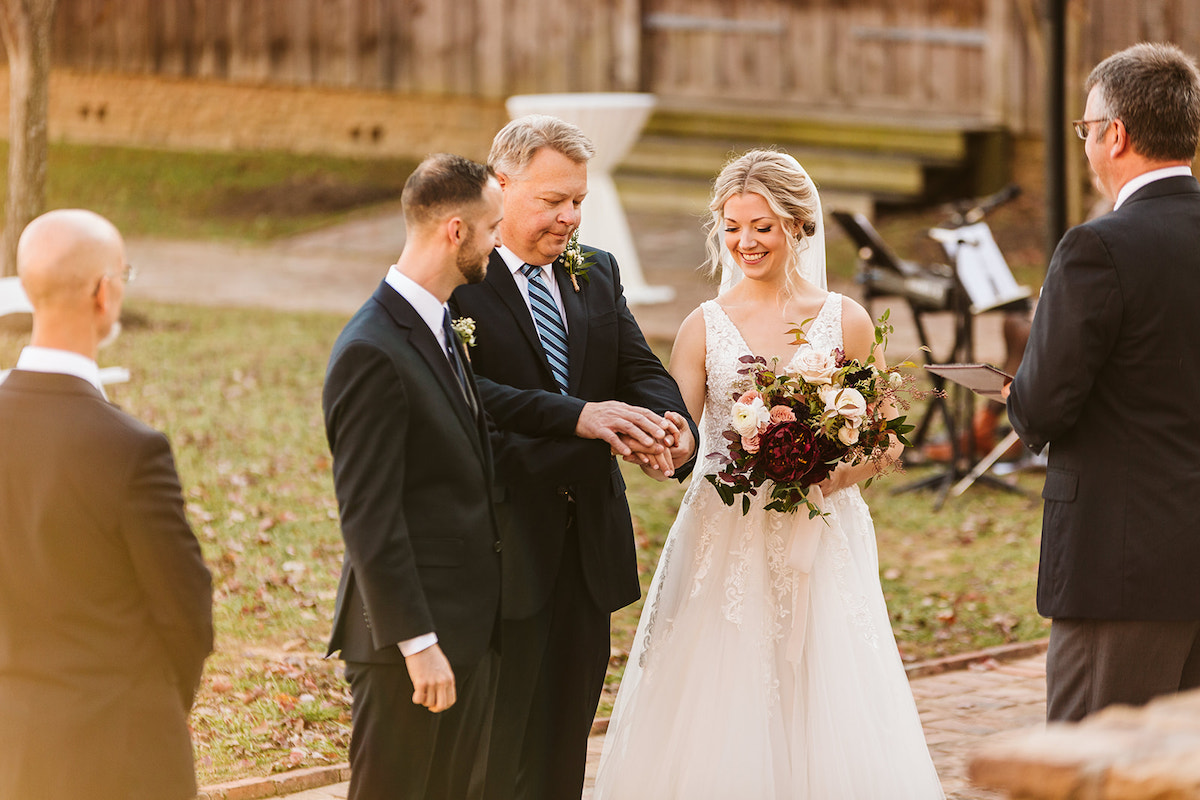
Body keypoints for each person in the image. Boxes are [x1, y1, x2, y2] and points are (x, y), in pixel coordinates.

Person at [593, 150, 943, 798]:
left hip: (822, 530)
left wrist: (828, 477)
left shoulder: (848, 321)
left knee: (825, 680)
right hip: (724, 532)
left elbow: (888, 439)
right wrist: (659, 446)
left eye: (762, 226)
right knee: (724, 686)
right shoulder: (704, 328)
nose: (745, 241)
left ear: (797, 228)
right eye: (733, 226)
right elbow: (687, 437)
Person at [449, 114, 698, 800]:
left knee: (563, 753)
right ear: (499, 187)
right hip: (500, 545)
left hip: (588, 547)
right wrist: (581, 419)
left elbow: (637, 368)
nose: (569, 218)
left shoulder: (596, 270)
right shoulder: (456, 275)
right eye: (552, 200)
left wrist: (671, 426)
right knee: (495, 755)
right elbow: (466, 396)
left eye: (578, 201)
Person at [1005, 42, 1200, 722]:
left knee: (1089, 769)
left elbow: (1044, 404)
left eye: (1087, 130)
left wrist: (1014, 395)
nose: (1087, 144)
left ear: (1115, 135)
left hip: (1119, 567)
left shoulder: (1099, 246)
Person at [0, 209, 214, 799]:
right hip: (122, 753)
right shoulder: (130, 449)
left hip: (12, 749)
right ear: (105, 292)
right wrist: (157, 706)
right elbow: (186, 609)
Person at [323, 153, 504, 798]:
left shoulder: (440, 324)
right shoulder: (373, 350)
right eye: (491, 229)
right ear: (455, 231)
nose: (499, 242)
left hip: (465, 629)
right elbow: (368, 515)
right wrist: (419, 643)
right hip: (410, 645)